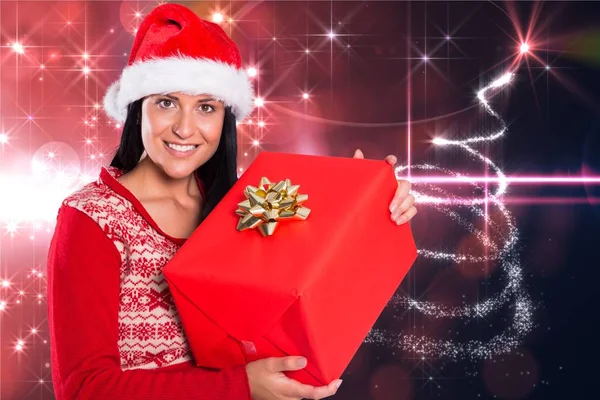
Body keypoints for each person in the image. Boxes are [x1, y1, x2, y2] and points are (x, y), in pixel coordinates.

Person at [46, 3, 417, 400]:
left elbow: (309, 289)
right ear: (138, 109)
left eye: (206, 107)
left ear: (225, 118)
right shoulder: (92, 218)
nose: (185, 128)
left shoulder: (244, 205)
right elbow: (84, 390)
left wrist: (368, 202)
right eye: (166, 102)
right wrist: (240, 387)